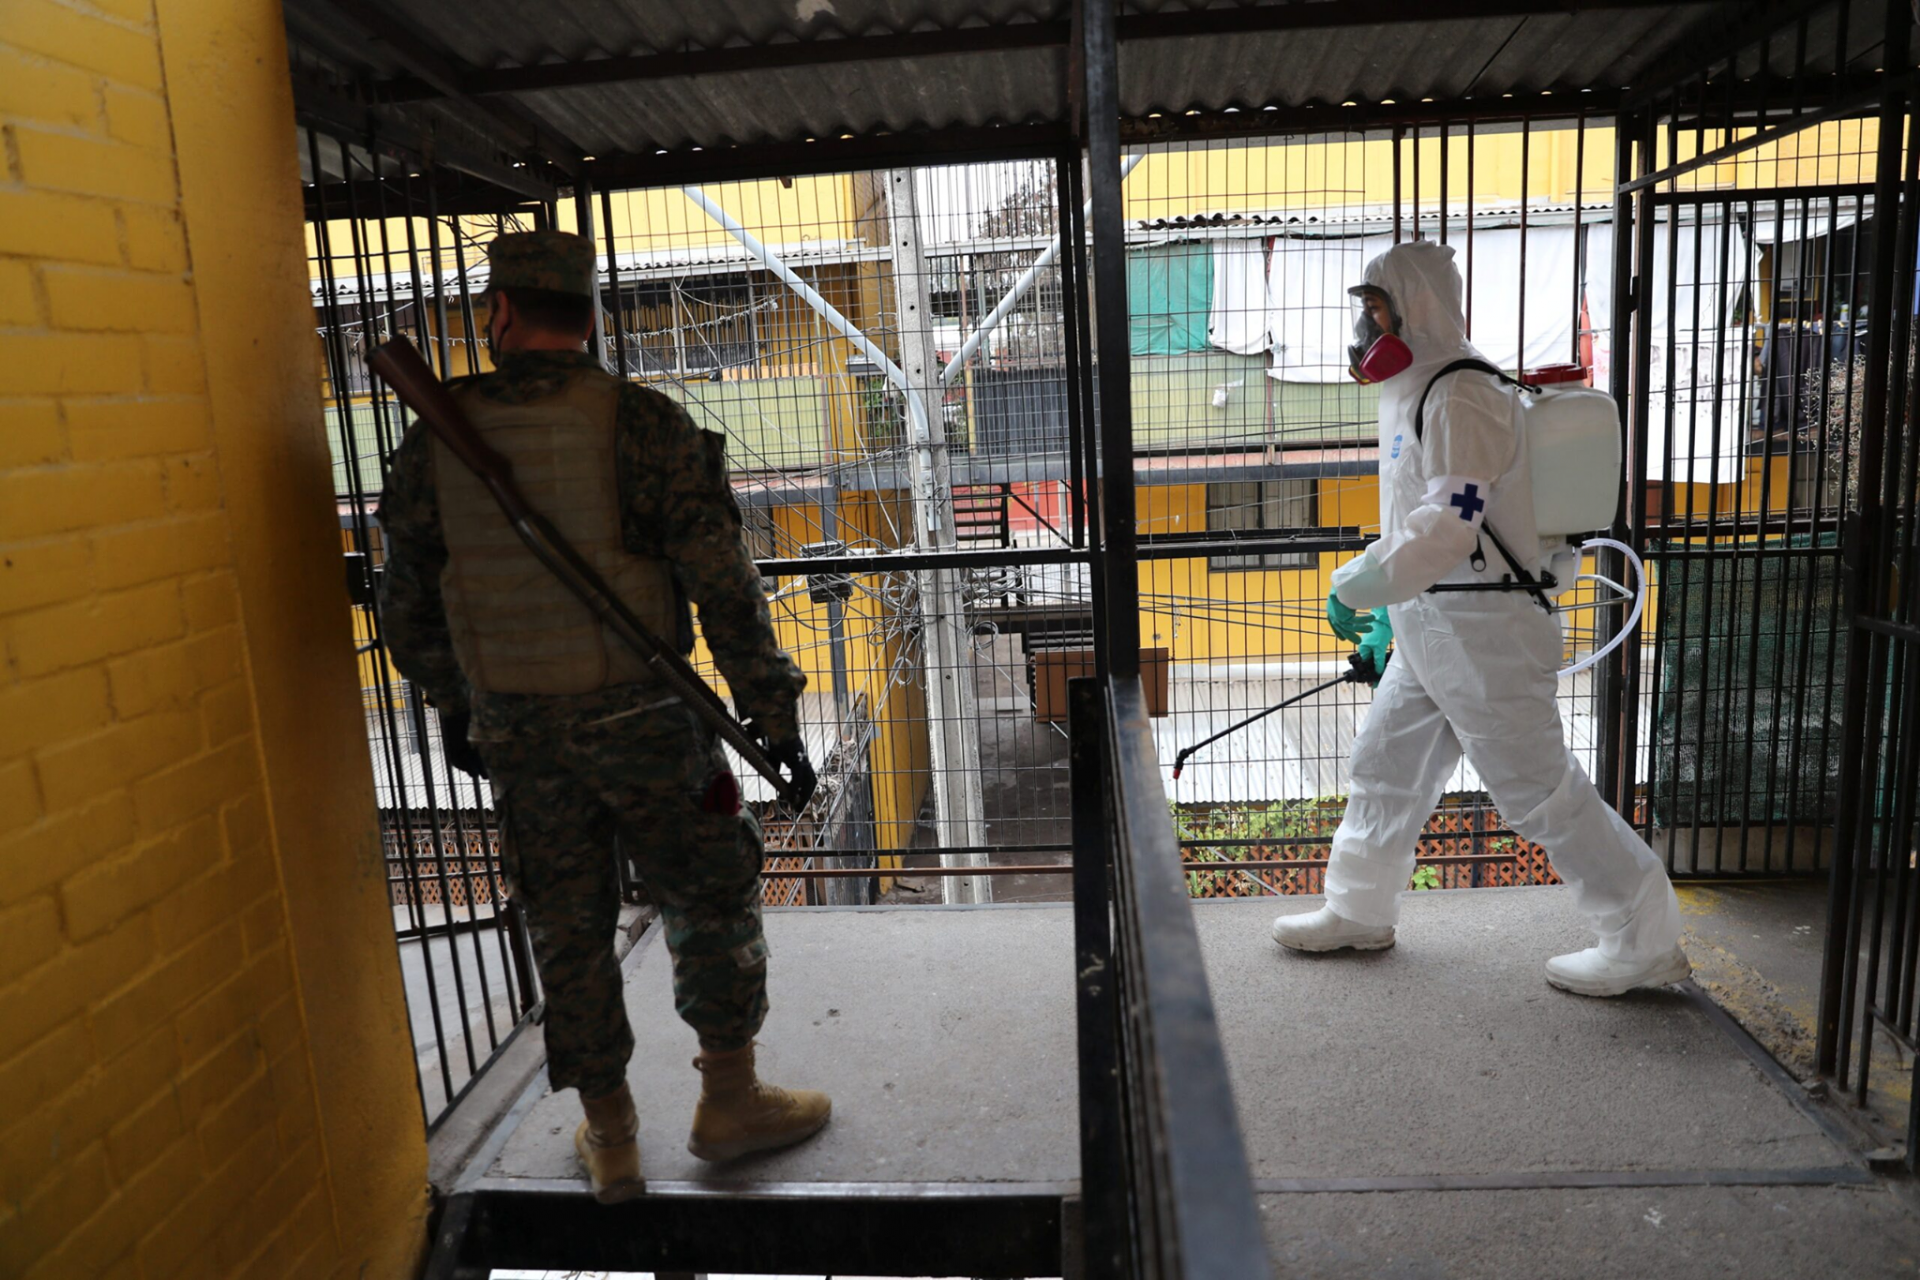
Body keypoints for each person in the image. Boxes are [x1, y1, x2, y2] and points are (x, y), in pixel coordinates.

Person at [377, 230, 830, 1203]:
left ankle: (612, 1136)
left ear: (499, 313)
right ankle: (731, 1099)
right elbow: (726, 590)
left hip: (521, 735)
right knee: (708, 892)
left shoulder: (432, 441)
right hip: (652, 723)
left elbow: (404, 609)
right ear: (591, 315)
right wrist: (774, 719)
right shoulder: (645, 426)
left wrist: (462, 704)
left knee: (566, 925)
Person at [1271, 240, 1689, 998]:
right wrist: (1394, 611)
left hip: (1483, 632)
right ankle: (1359, 908)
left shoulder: (1462, 393)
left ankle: (1641, 934)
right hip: (1437, 622)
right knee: (1385, 766)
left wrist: (1357, 583)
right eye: (1364, 311)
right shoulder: (1412, 389)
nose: (1366, 329)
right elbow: (1418, 521)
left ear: (1416, 307)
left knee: (1536, 790)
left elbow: (1450, 523)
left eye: (1376, 309)